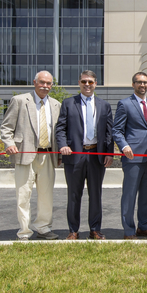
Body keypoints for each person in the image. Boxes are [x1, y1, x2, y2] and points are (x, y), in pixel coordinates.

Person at [0, 70, 61, 241]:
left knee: (46, 196)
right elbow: (6, 128)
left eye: (49, 83)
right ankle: (24, 232)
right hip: (24, 155)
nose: (45, 86)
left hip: (47, 156)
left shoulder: (56, 104)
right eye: (42, 82)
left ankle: (43, 228)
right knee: (23, 195)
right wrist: (10, 143)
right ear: (34, 82)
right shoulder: (19, 100)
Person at [55, 70, 114, 240]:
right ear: (79, 83)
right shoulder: (68, 103)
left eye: (90, 82)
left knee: (96, 194)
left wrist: (109, 153)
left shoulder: (104, 105)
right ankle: (73, 230)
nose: (87, 85)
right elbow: (60, 128)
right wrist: (63, 145)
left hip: (97, 155)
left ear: (96, 83)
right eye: (84, 82)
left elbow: (109, 132)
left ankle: (95, 229)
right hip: (75, 155)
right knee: (74, 195)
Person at [112, 71, 147, 240]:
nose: (143, 85)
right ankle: (129, 230)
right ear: (133, 84)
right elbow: (117, 130)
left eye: (145, 82)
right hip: (132, 156)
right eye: (139, 82)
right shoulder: (124, 104)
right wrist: (124, 146)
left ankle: (144, 227)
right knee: (130, 195)